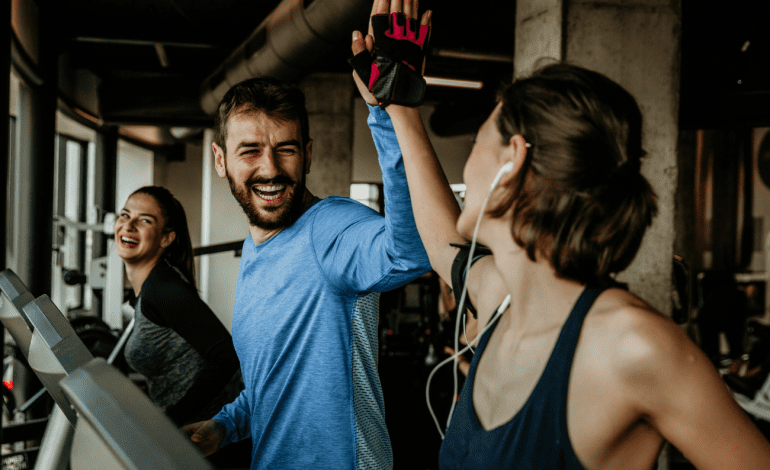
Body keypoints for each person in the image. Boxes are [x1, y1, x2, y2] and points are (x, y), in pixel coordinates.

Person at [349, 3, 770, 466]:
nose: (466, 168)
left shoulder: (631, 344)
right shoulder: (499, 304)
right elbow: (442, 244)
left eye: (475, 147)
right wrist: (400, 109)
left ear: (512, 160)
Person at [181, 60, 432, 467]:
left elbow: (410, 254)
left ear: (308, 154)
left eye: (286, 149)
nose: (271, 169)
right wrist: (225, 425)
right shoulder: (256, 250)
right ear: (220, 159)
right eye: (250, 151)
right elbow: (273, 386)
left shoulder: (330, 227)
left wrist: (389, 113)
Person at [115, 186, 240, 427]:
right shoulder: (150, 288)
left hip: (209, 437)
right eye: (125, 215)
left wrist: (170, 422)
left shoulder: (162, 289)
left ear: (166, 238)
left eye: (144, 220)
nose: (128, 226)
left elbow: (225, 356)